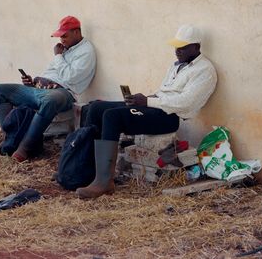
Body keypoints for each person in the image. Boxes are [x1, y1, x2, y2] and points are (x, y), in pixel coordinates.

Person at [76, 24, 217, 199]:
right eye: (176, 46)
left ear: (196, 47)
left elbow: (185, 103)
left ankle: (104, 182)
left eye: (183, 47)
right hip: (154, 108)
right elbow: (163, 92)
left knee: (112, 116)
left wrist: (148, 101)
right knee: (96, 108)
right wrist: (142, 99)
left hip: (168, 118)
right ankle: (86, 171)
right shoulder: (177, 65)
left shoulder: (205, 70)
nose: (177, 51)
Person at [0, 16, 96, 163]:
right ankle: (10, 141)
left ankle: (24, 148)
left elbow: (70, 77)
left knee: (50, 99)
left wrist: (58, 56)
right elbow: (50, 74)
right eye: (60, 36)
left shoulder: (86, 51)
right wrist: (32, 82)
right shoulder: (65, 49)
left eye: (64, 36)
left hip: (63, 92)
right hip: (40, 89)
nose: (61, 40)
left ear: (77, 32)